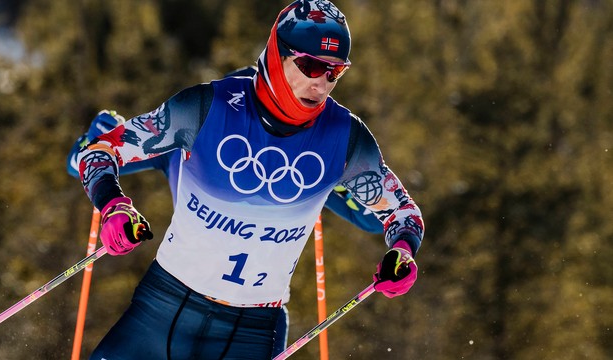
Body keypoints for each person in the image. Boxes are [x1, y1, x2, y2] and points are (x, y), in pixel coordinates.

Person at [73, 1, 424, 358]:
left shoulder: (346, 138)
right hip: (163, 306)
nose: (320, 82)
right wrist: (113, 205)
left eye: (334, 72)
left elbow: (404, 213)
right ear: (277, 54)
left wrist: (403, 251)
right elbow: (98, 152)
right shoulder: (207, 107)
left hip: (251, 330)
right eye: (310, 65)